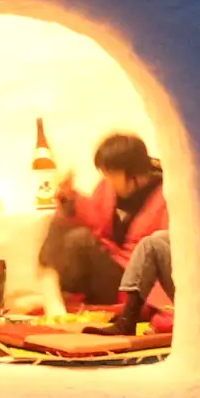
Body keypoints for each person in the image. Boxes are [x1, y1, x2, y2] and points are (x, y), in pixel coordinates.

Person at [44, 133, 171, 316]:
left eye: (111, 173)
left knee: (80, 239)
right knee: (62, 222)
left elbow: (165, 255)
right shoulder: (108, 187)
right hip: (109, 266)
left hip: (134, 280)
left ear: (132, 171)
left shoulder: (166, 196)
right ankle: (50, 288)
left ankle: (49, 288)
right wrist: (68, 198)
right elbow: (95, 217)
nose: (106, 178)